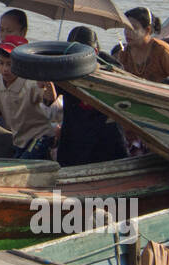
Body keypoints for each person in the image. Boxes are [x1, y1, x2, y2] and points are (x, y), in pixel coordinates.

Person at [0, 37, 58, 160]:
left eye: (9, 64)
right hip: (18, 137)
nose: (5, 69)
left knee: (25, 161)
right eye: (1, 63)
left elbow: (50, 99)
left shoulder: (31, 82)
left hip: (40, 135)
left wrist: (48, 83)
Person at [55, 28, 128, 167]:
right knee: (65, 175)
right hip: (75, 131)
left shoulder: (111, 66)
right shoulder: (64, 65)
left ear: (95, 52)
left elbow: (121, 90)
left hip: (105, 133)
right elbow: (50, 97)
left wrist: (97, 70)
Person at [114, 7, 169, 86]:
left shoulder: (162, 51)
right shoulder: (125, 52)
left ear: (147, 30)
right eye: (126, 28)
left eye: (133, 28)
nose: (127, 33)